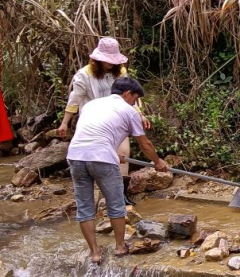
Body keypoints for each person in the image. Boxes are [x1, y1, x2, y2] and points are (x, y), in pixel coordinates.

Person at [66, 77, 168, 264]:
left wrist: (112, 151)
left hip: (76, 155)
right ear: (127, 94)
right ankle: (120, 247)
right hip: (102, 158)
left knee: (85, 208)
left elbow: (93, 132)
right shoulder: (128, 111)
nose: (134, 103)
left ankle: (95, 253)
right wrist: (158, 162)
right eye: (134, 98)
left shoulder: (91, 105)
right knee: (116, 205)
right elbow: (144, 143)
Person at [57, 37, 151, 204]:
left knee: (123, 155)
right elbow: (75, 98)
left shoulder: (120, 72)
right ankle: (101, 196)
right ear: (97, 59)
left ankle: (121, 195)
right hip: (95, 119)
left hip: (118, 119)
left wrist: (140, 114)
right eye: (107, 60)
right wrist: (65, 122)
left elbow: (130, 96)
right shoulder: (84, 74)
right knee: (99, 156)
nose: (110, 63)